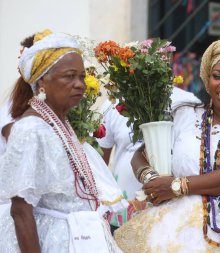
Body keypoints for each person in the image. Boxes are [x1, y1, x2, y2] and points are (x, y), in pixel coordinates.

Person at [114, 40, 220, 252]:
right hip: (172, 227)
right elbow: (143, 153)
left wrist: (175, 186)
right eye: (217, 76)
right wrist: (152, 180)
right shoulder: (185, 114)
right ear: (207, 80)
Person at [0, 29, 126, 253]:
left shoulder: (59, 124)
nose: (80, 84)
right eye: (69, 76)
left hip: (80, 239)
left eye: (81, 76)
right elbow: (20, 210)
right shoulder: (30, 129)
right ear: (42, 83)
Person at [98, 86, 202, 229]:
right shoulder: (112, 105)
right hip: (120, 217)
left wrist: (172, 187)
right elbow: (98, 164)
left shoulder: (187, 103)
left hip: (170, 219)